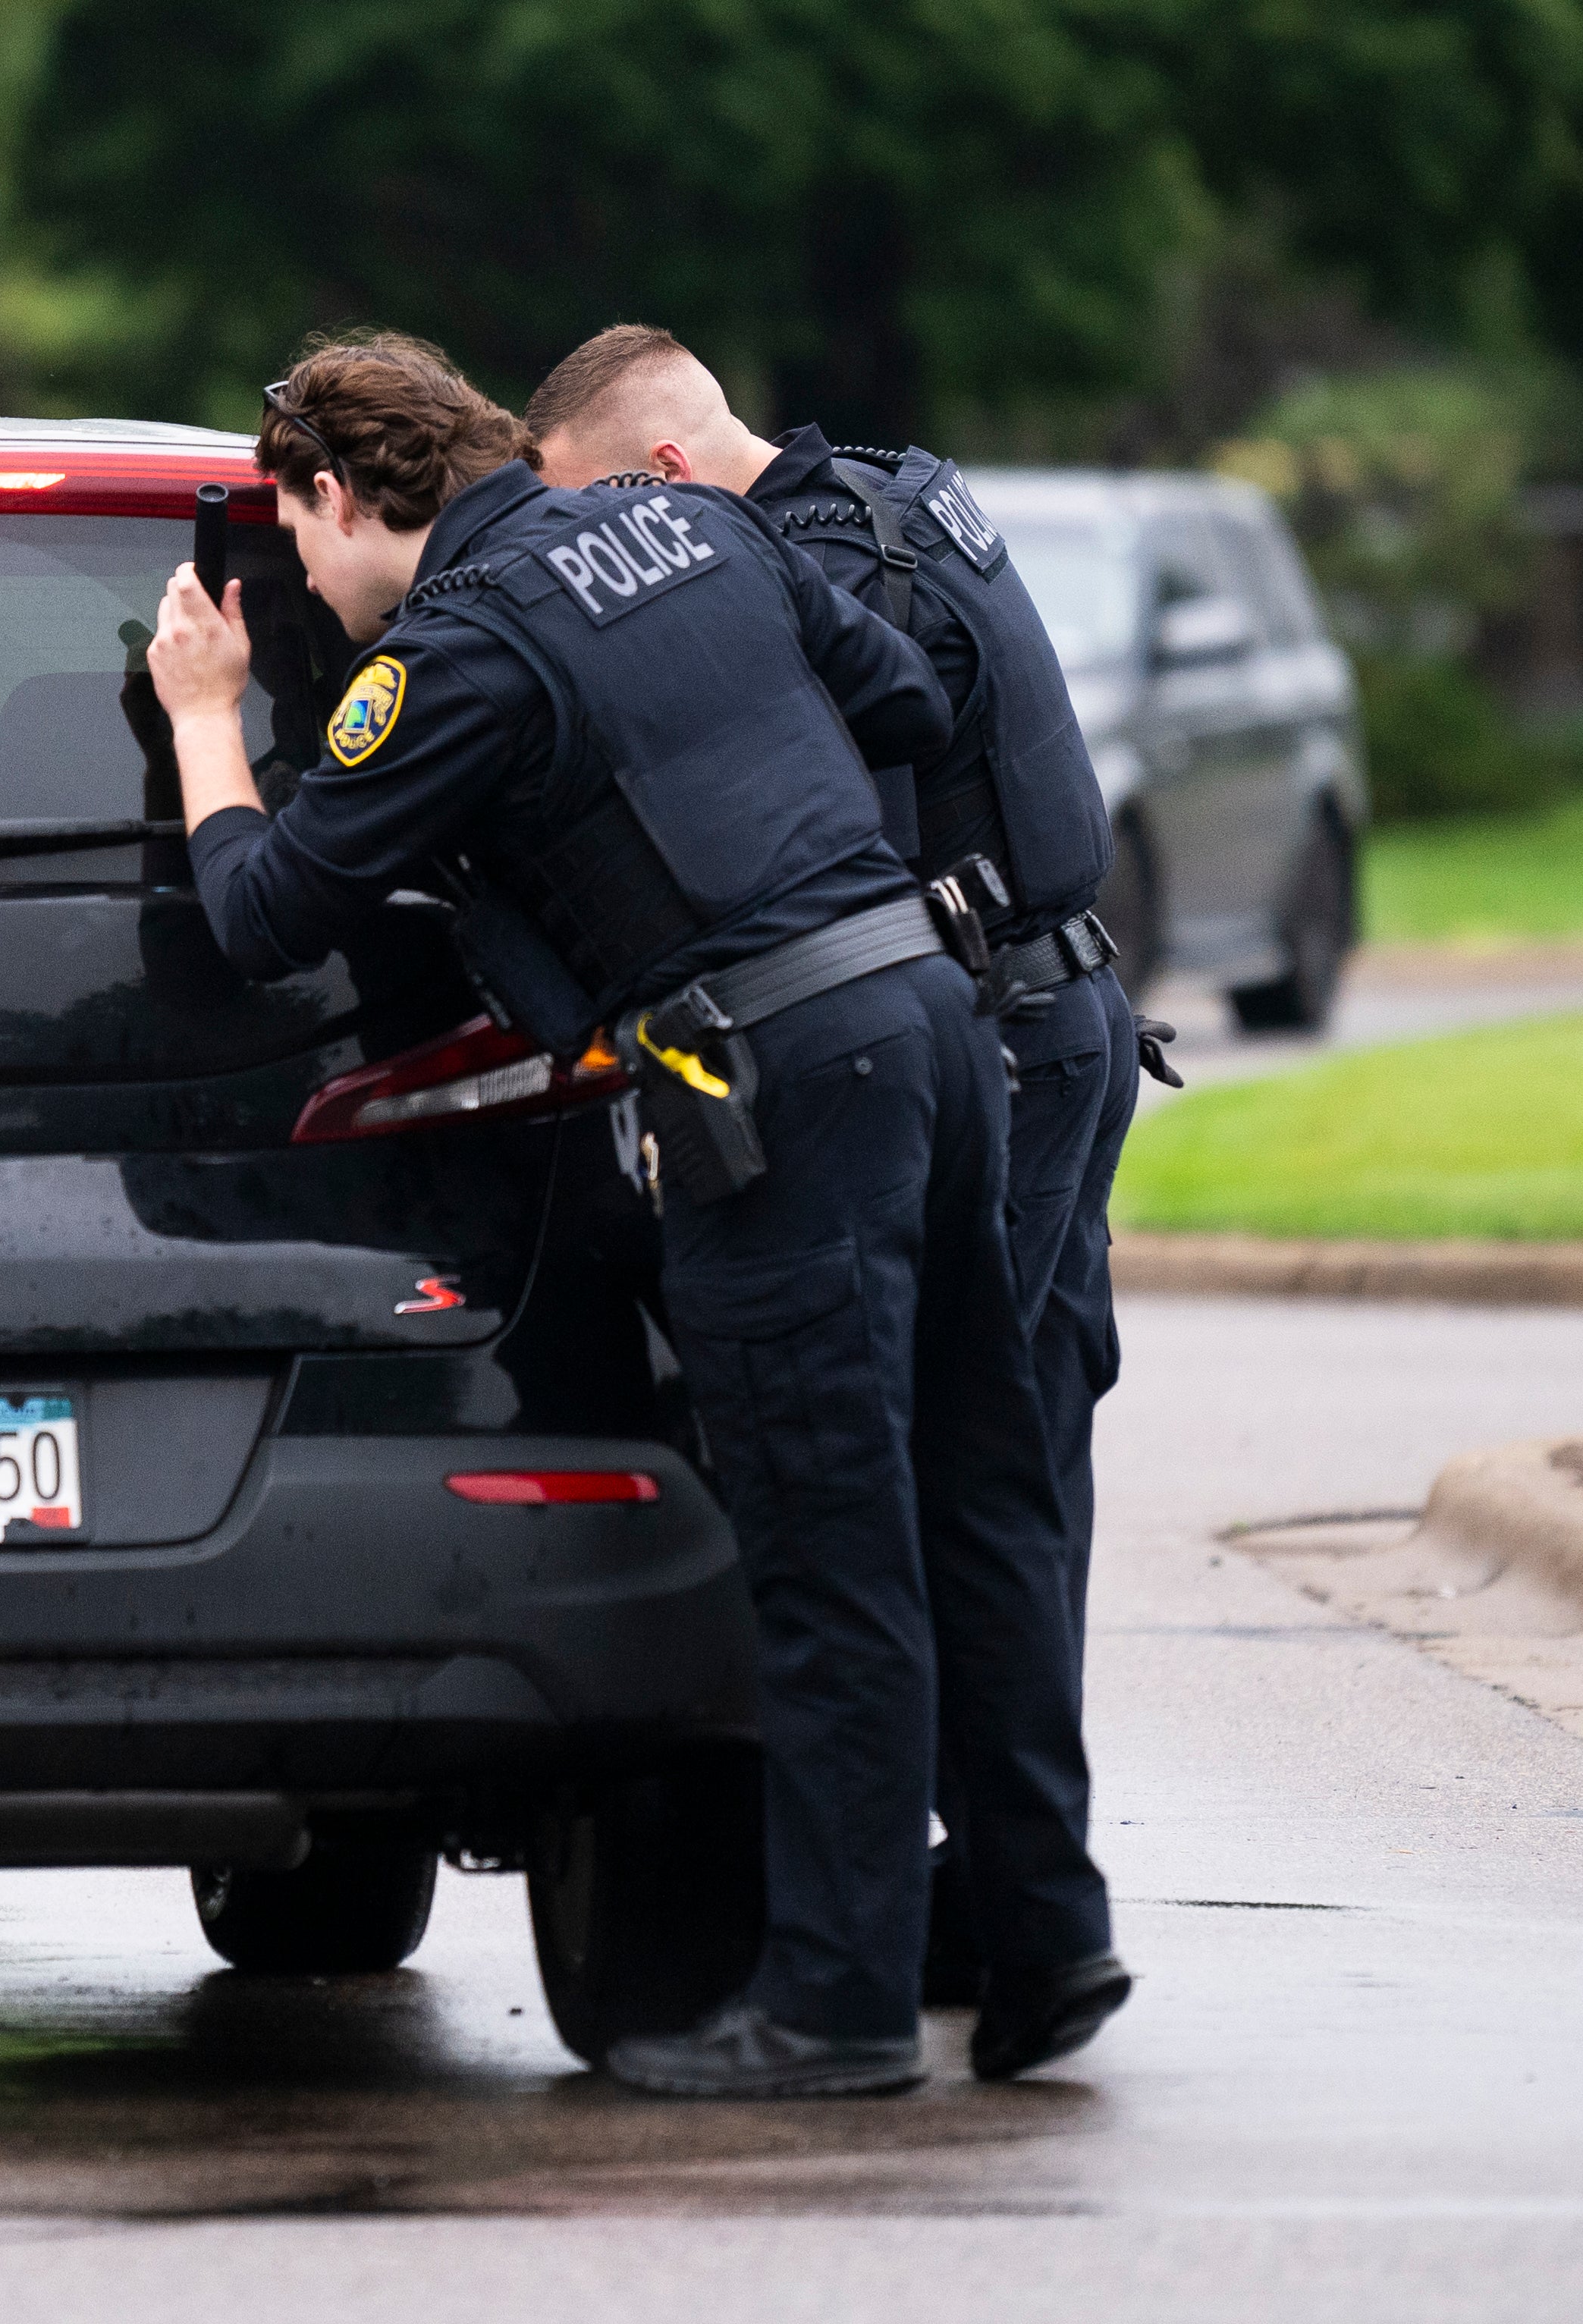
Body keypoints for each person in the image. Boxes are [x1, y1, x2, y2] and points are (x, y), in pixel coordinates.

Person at [146, 331, 1122, 2095]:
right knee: (982, 1501)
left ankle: (830, 2010)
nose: (307, 585)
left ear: (340, 496)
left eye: (300, 550)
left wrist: (213, 719)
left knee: (831, 1557)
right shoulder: (705, 532)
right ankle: (1044, 1938)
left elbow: (272, 905)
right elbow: (901, 701)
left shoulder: (451, 656)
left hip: (774, 1082)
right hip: (931, 1032)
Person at [530, 326, 1154, 2013]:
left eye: (598, 518)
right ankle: (1013, 1901)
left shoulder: (807, 570)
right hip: (1067, 1011)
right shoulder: (896, 492)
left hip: (988, 1038)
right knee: (1012, 1464)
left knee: (935, 1483)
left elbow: (818, 843)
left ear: (664, 477)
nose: (609, 568)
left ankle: (947, 1911)